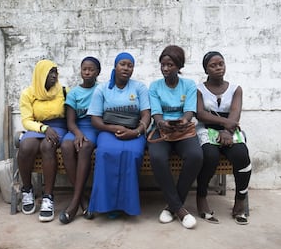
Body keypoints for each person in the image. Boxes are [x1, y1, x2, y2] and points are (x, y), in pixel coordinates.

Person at [87, 52, 151, 218]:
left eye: (130, 65)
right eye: (123, 64)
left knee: (133, 154)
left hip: (134, 131)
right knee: (105, 153)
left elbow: (146, 115)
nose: (126, 68)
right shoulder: (102, 88)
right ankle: (108, 205)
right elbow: (95, 119)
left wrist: (136, 131)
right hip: (108, 131)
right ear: (115, 66)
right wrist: (113, 128)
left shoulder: (139, 88)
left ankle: (126, 205)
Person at [148, 45, 203, 229]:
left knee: (195, 156)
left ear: (179, 66)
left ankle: (172, 206)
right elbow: (156, 113)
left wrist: (182, 121)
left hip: (183, 130)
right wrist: (162, 122)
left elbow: (189, 111)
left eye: (170, 64)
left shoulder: (188, 85)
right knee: (156, 157)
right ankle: (180, 209)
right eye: (162, 64)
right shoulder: (155, 86)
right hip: (162, 130)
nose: (165, 68)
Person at [196, 51, 251, 225]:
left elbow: (235, 113)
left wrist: (227, 131)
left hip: (230, 130)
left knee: (242, 156)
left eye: (221, 64)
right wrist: (223, 126)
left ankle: (240, 202)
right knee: (209, 157)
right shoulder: (199, 89)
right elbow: (201, 115)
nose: (218, 68)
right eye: (213, 65)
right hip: (207, 129)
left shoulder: (236, 89)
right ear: (206, 69)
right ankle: (202, 198)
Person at [17, 59, 68, 222]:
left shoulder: (63, 91)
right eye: (50, 72)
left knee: (48, 146)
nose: (54, 76)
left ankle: (48, 197)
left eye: (55, 72)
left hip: (58, 127)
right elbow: (26, 120)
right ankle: (27, 190)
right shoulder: (28, 93)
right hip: (37, 127)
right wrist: (43, 128)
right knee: (26, 146)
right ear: (40, 75)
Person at [58, 56, 101, 224]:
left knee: (85, 147)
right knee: (66, 145)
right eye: (84, 69)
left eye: (91, 69)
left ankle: (73, 204)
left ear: (97, 72)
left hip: (94, 127)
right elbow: (70, 121)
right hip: (77, 128)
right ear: (81, 71)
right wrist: (77, 133)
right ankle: (82, 199)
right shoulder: (74, 93)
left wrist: (83, 136)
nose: (87, 72)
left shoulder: (101, 89)